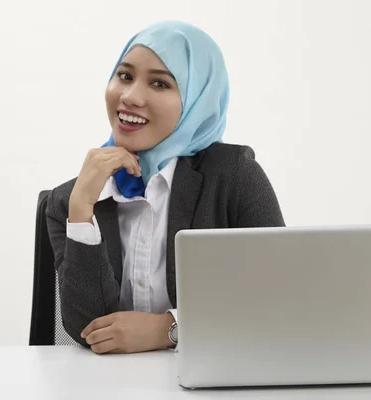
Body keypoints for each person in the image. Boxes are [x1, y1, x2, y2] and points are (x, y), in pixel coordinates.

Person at [45, 20, 285, 354]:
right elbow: (86, 327)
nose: (130, 96)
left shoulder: (232, 176)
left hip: (214, 381)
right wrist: (82, 207)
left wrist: (169, 329)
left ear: (196, 100)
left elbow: (278, 298)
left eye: (159, 83)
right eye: (124, 76)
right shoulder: (69, 201)